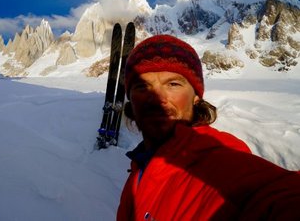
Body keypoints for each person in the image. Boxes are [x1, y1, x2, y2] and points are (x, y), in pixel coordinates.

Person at [117, 34, 300, 220]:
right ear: (130, 99)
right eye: (142, 87)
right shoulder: (140, 166)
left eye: (173, 84)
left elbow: (273, 195)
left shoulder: (224, 161)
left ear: (196, 97)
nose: (156, 99)